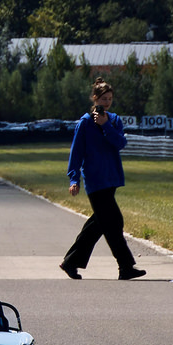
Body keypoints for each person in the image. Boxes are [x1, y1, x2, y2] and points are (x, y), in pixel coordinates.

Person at [62, 79, 146, 281]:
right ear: (94, 99)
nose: (106, 103)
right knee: (114, 222)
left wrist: (105, 125)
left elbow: (120, 143)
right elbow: (76, 153)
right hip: (95, 180)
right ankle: (125, 266)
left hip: (112, 178)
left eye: (109, 99)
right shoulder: (84, 123)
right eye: (103, 99)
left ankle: (70, 262)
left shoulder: (114, 120)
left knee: (99, 223)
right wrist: (74, 179)